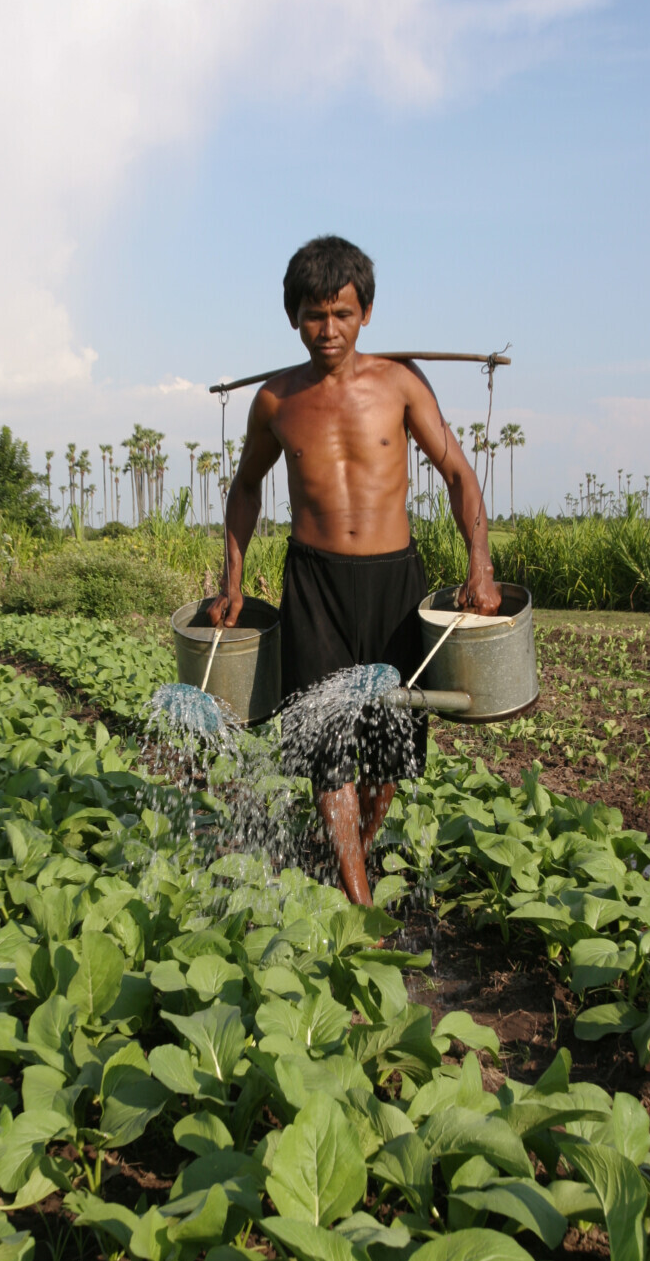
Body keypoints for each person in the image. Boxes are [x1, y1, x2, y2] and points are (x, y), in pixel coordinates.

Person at [209, 235, 501, 907]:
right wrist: (232, 581)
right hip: (314, 583)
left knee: (390, 747)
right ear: (293, 318)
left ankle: (351, 854)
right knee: (324, 744)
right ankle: (357, 894)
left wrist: (479, 567)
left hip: (394, 584)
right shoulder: (276, 402)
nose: (328, 329)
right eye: (315, 315)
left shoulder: (400, 385)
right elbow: (246, 487)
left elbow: (457, 471)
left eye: (342, 313)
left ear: (366, 312)